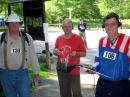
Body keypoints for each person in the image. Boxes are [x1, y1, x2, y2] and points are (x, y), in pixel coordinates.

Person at [0, 13, 42, 97]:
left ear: (19, 24)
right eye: (11, 23)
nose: (14, 25)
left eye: (16, 23)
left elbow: (33, 56)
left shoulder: (27, 37)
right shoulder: (1, 38)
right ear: (8, 25)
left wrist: (36, 73)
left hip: (23, 74)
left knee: (25, 94)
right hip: (5, 74)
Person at [91, 12, 130, 97]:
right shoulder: (102, 41)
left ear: (118, 25)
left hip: (121, 87)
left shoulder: (127, 41)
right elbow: (97, 59)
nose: (109, 27)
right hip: (102, 85)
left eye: (113, 24)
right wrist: (94, 68)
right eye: (106, 25)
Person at [53, 18, 86, 97]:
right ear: (62, 27)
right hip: (61, 69)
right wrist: (55, 51)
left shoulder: (78, 38)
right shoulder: (59, 39)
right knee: (64, 92)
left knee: (76, 93)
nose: (66, 28)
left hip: (74, 69)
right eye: (64, 26)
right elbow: (55, 50)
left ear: (72, 27)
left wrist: (76, 53)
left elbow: (84, 53)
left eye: (68, 26)